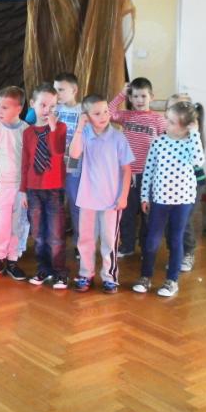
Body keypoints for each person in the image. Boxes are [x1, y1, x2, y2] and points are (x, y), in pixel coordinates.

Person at [133, 101, 205, 297]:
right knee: (152, 240)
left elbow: (199, 161)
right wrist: (144, 196)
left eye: (172, 122)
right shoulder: (158, 142)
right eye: (167, 119)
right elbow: (148, 171)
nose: (166, 123)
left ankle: (171, 281)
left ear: (185, 126)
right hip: (160, 200)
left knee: (175, 240)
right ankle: (145, 277)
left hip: (183, 201)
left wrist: (195, 133)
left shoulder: (191, 143)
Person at [68, 94, 133, 293]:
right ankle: (85, 274)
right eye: (97, 113)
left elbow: (127, 169)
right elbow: (74, 154)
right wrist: (80, 127)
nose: (104, 116)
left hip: (111, 200)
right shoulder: (84, 134)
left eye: (105, 111)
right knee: (85, 239)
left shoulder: (118, 137)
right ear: (86, 115)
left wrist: (123, 196)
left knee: (109, 240)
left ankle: (109, 276)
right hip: (87, 198)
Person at [108, 77, 166, 258]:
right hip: (128, 175)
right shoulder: (126, 116)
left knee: (147, 214)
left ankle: (146, 247)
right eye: (135, 96)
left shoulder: (158, 120)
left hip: (149, 176)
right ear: (130, 98)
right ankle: (127, 245)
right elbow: (108, 113)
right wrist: (121, 95)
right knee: (127, 213)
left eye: (143, 96)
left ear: (151, 97)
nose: (139, 100)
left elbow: (166, 144)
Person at [22, 84, 69, 289]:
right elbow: (25, 163)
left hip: (53, 189)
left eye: (52, 106)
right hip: (33, 190)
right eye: (43, 105)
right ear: (33, 104)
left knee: (55, 234)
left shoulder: (60, 128)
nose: (47, 110)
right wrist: (23, 190)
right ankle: (44, 268)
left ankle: (60, 272)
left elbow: (57, 151)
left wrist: (52, 128)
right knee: (39, 235)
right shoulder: (28, 133)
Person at [0, 86, 30, 281]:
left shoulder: (27, 131)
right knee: (1, 225)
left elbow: (29, 162)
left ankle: (12, 261)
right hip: (1, 188)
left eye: (5, 107)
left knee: (17, 226)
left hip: (21, 189)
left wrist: (26, 189)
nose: (0, 111)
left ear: (19, 108)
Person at [166, 93, 206, 272]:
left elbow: (197, 160)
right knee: (170, 220)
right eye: (171, 109)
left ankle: (188, 252)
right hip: (170, 184)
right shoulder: (167, 133)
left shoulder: (194, 137)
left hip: (192, 185)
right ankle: (175, 253)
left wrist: (194, 133)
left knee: (184, 219)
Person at [52, 72, 84, 255]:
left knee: (75, 204)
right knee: (55, 204)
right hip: (55, 165)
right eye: (55, 90)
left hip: (74, 165)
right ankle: (56, 242)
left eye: (61, 90)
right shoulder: (54, 109)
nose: (57, 94)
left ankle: (80, 243)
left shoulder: (82, 111)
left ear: (74, 90)